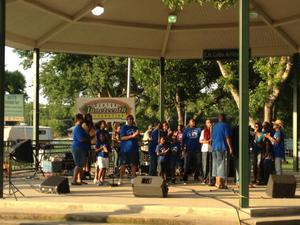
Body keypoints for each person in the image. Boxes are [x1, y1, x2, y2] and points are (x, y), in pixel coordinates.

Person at [211, 113, 233, 189]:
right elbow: (227, 137)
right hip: (221, 147)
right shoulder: (225, 125)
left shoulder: (214, 126)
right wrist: (230, 147)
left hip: (214, 147)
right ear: (224, 118)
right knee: (221, 165)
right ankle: (220, 183)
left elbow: (212, 137)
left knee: (216, 165)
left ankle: (217, 182)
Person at [118, 114, 140, 185]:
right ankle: (120, 178)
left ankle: (133, 179)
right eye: (129, 119)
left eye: (131, 119)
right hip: (125, 150)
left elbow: (138, 138)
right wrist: (132, 136)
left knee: (134, 165)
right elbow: (122, 138)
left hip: (134, 149)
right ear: (127, 120)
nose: (130, 120)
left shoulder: (136, 128)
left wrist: (137, 135)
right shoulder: (124, 128)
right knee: (123, 164)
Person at [71, 113, 90, 185]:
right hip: (78, 148)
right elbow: (81, 139)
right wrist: (88, 138)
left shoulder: (81, 127)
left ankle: (79, 179)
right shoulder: (78, 128)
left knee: (81, 165)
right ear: (79, 119)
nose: (83, 120)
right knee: (78, 164)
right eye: (82, 118)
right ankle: (74, 180)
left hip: (82, 148)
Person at [182, 118, 202, 184]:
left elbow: (201, 138)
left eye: (194, 121)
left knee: (198, 164)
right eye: (192, 122)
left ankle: (196, 177)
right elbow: (183, 139)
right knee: (186, 164)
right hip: (188, 150)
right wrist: (182, 148)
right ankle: (185, 178)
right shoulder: (186, 130)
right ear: (189, 123)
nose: (193, 123)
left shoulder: (198, 130)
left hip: (197, 150)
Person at [81, 113, 96, 180]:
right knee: (86, 159)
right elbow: (85, 134)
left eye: (90, 117)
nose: (89, 119)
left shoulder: (91, 124)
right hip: (86, 143)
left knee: (89, 159)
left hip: (92, 143)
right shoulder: (84, 125)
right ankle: (84, 172)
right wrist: (91, 136)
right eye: (88, 117)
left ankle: (88, 171)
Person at [199, 119, 212, 184]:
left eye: (210, 122)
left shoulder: (213, 131)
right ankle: (204, 179)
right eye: (208, 123)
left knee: (211, 165)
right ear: (206, 124)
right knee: (205, 165)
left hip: (212, 150)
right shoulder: (203, 131)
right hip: (205, 149)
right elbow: (200, 141)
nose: (209, 124)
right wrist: (207, 141)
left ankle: (210, 179)